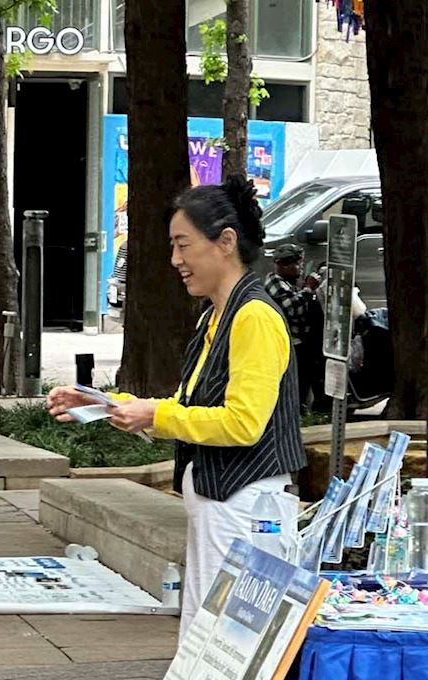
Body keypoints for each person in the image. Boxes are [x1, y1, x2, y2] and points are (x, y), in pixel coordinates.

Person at [47, 176, 306, 629]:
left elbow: (243, 423)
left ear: (226, 242)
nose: (175, 260)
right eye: (173, 246)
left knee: (224, 640)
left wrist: (154, 414)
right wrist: (105, 404)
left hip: (247, 509)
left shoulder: (255, 316)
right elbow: (188, 405)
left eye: (183, 245)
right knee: (206, 635)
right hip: (223, 506)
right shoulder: (217, 315)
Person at [262, 242, 325, 409]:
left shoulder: (289, 282)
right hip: (291, 342)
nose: (300, 268)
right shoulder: (275, 282)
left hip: (300, 340)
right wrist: (308, 288)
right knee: (299, 381)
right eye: (297, 264)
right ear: (283, 265)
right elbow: (293, 308)